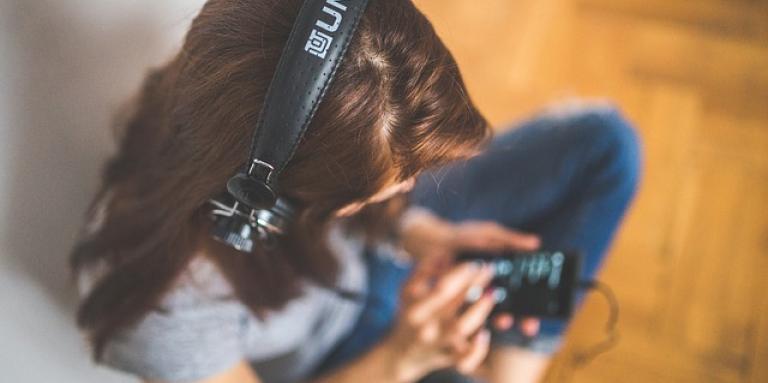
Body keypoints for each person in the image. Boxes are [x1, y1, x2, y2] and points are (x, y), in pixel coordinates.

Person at [71, 0, 641, 382]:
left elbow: (377, 191)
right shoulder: (160, 314)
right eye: (391, 183)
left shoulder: (243, 75)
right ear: (262, 203)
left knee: (605, 144)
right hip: (352, 357)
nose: (415, 185)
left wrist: (414, 229)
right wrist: (402, 355)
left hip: (370, 254)